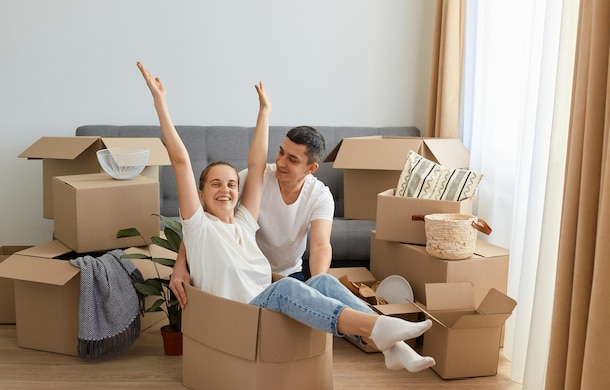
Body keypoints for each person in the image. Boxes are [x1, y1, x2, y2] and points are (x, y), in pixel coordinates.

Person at [137, 61, 435, 373]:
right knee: (288, 288)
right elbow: (180, 161)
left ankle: (393, 345)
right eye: (215, 183)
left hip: (266, 299)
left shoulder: (244, 222)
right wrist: (160, 102)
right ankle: (379, 328)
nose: (225, 189)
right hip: (241, 314)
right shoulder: (198, 225)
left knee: (320, 281)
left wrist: (264, 111)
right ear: (199, 194)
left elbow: (254, 166)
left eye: (231, 184)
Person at [170, 125, 334, 284]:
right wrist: (181, 263)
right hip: (247, 271)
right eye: (281, 152)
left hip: (289, 275)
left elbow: (320, 246)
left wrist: (319, 282)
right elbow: (201, 218)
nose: (281, 162)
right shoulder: (255, 179)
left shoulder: (320, 195)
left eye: (292, 159)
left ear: (311, 168)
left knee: (320, 289)